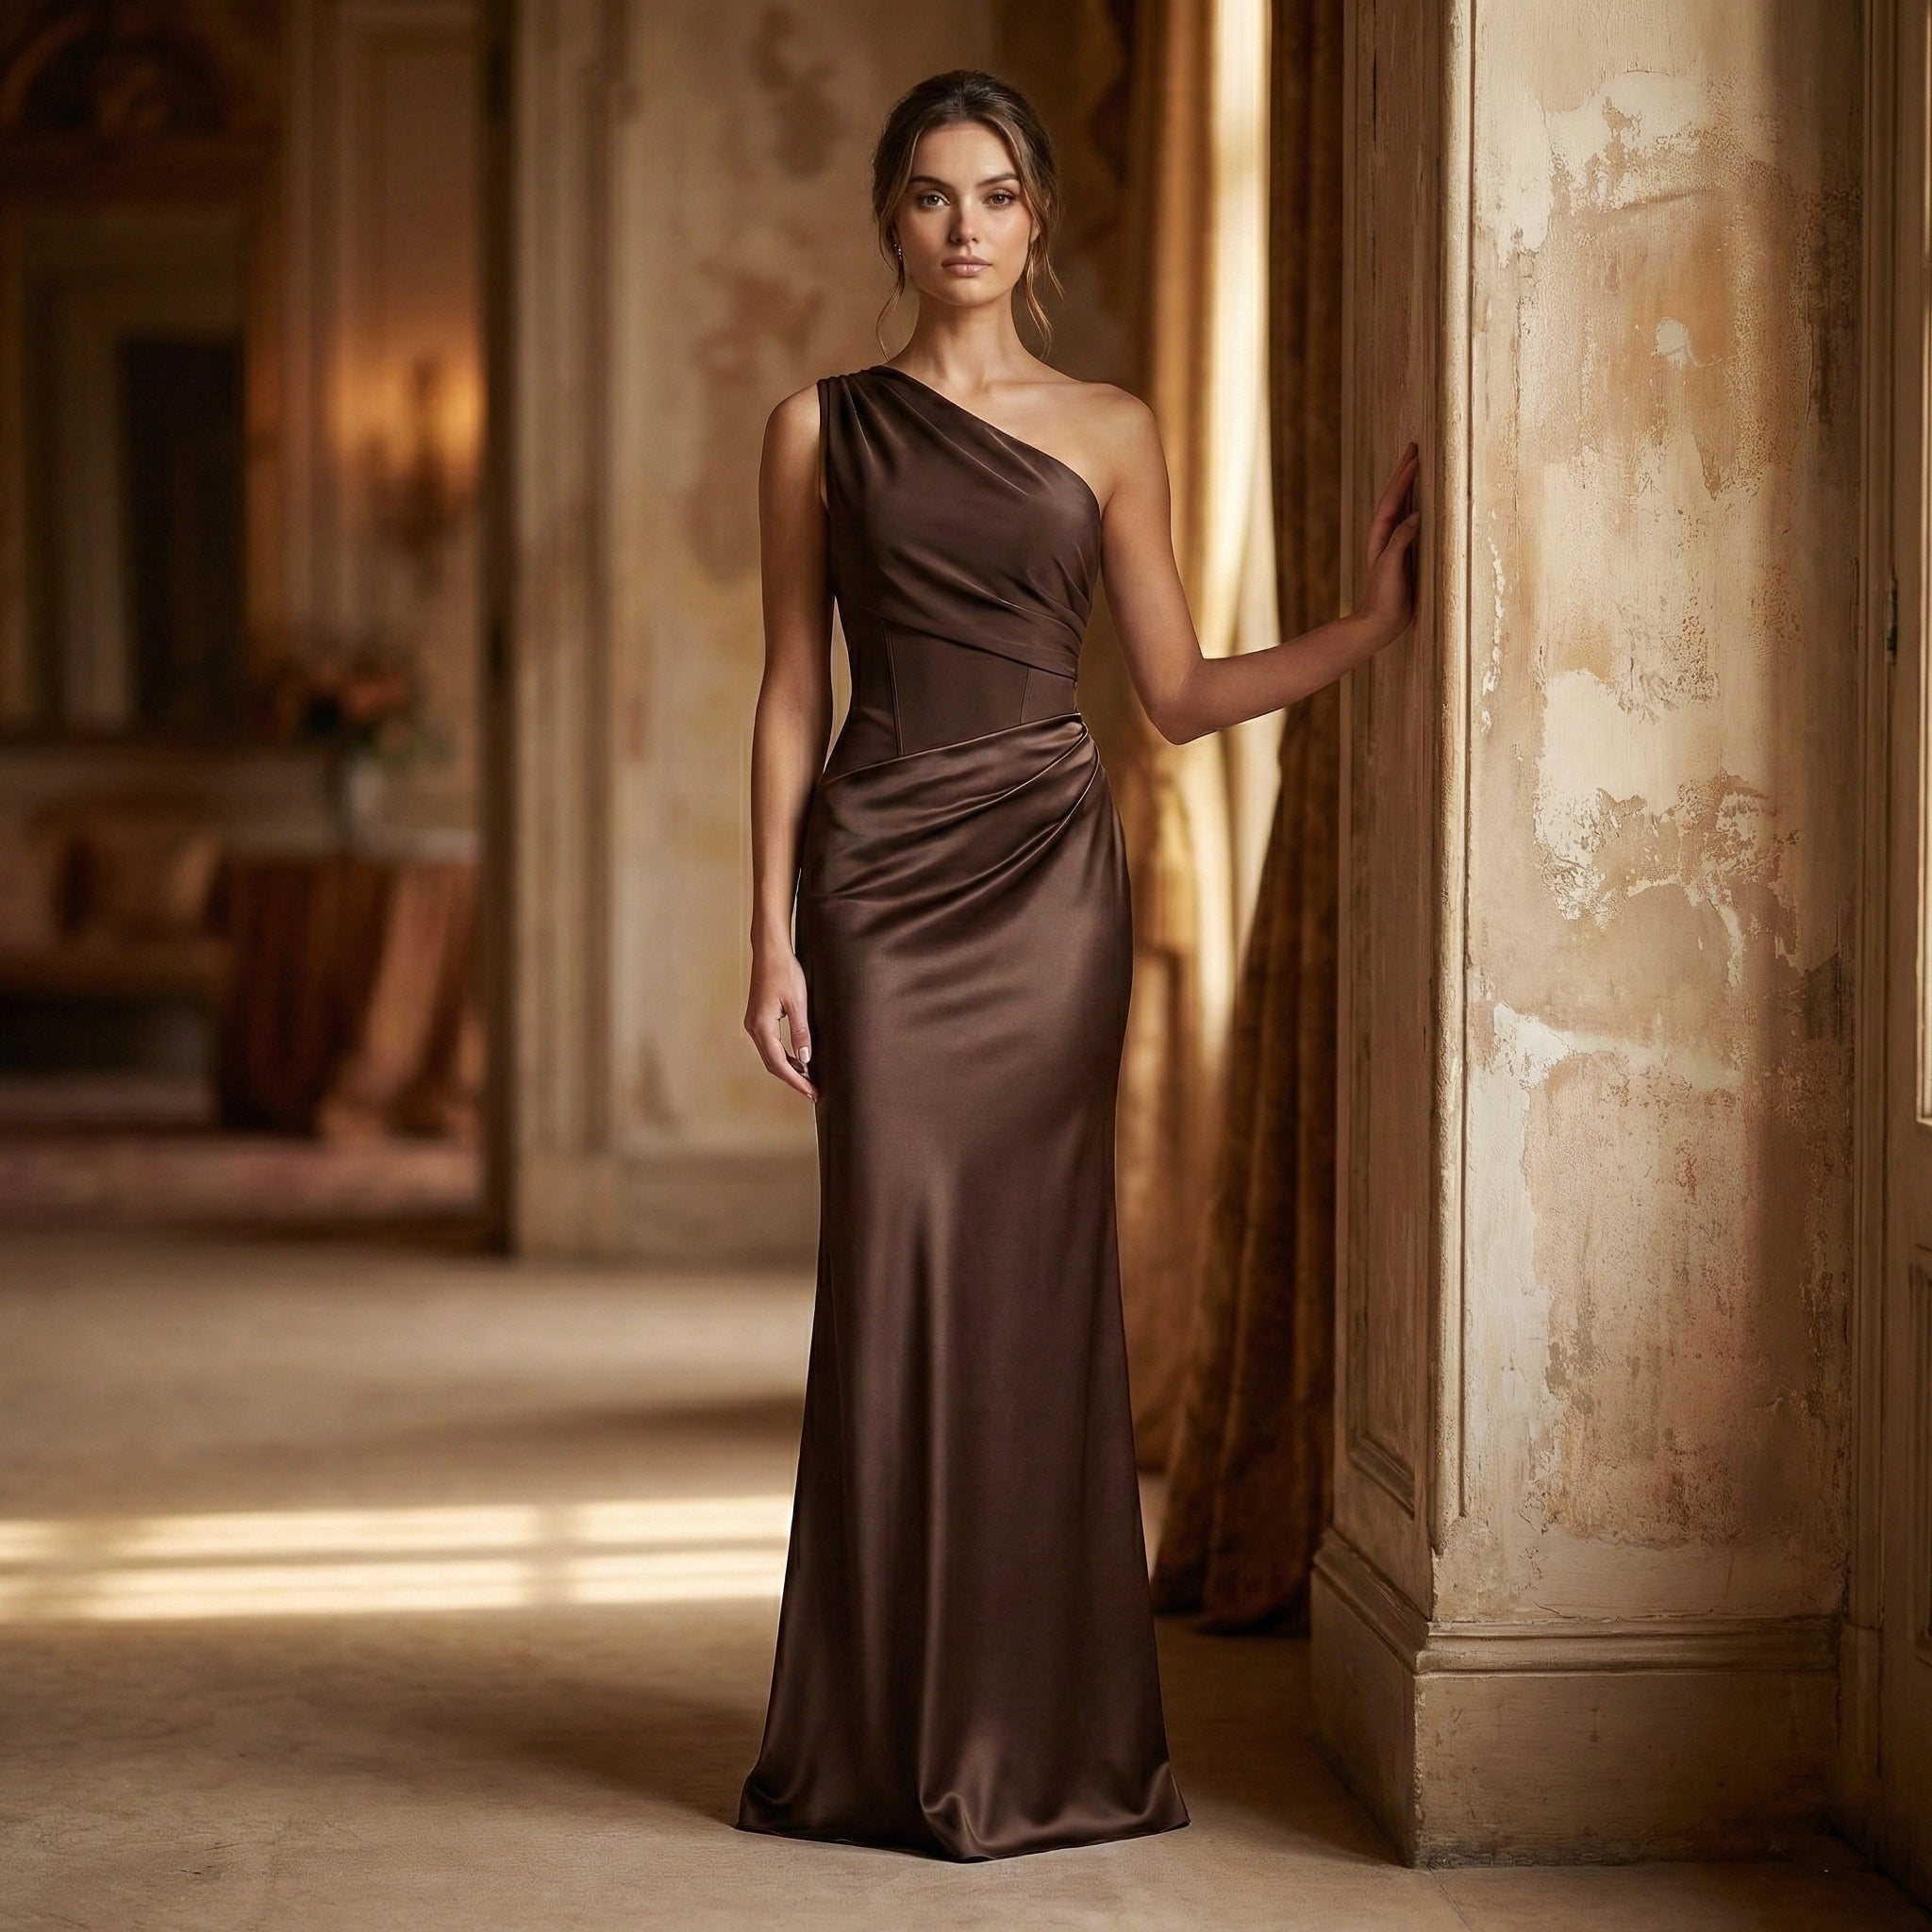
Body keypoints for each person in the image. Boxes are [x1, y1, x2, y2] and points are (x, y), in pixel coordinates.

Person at [737, 68, 1418, 1863]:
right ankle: (882, 1740)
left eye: (1001, 196)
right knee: (892, 1284)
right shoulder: (818, 428)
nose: (967, 229)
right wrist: (769, 931)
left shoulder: (1112, 425)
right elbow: (792, 693)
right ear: (891, 216)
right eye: (935, 197)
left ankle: (1037, 1741)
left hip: (1048, 890)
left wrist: (1357, 629)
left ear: (1040, 223)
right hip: (877, 887)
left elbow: (1179, 697)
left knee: (1036, 1298)